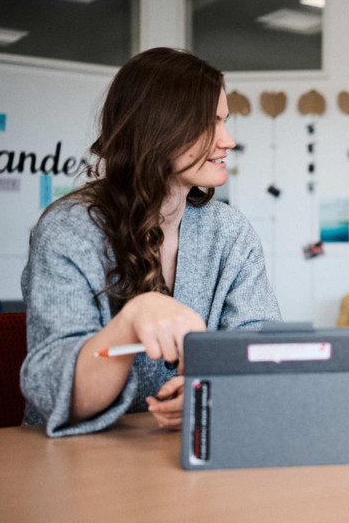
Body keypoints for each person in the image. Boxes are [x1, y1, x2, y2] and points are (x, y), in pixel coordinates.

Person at [20, 48, 282, 437]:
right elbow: (60, 397)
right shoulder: (67, 231)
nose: (227, 140)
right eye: (210, 123)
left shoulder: (231, 232)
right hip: (78, 462)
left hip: (186, 454)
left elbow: (263, 356)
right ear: (161, 128)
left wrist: (212, 390)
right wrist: (132, 319)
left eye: (225, 121)